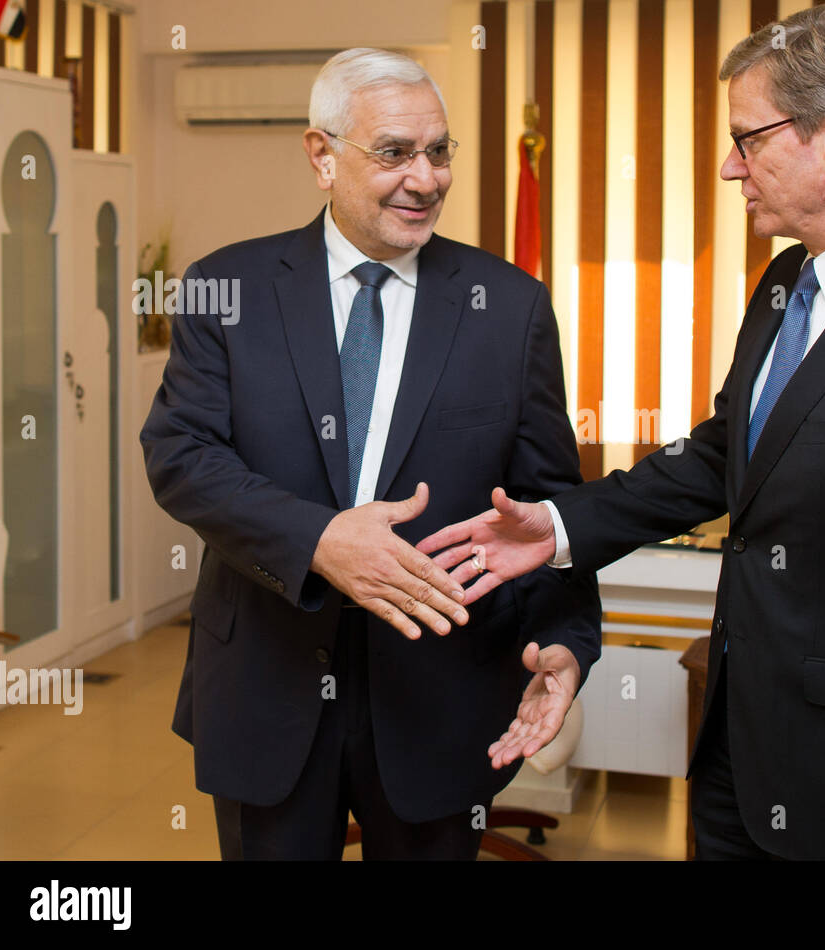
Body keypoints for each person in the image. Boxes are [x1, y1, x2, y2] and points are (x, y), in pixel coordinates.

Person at [420, 6, 825, 860]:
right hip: (735, 762)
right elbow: (728, 454)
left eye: (748, 139)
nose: (728, 166)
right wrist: (562, 527)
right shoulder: (790, 279)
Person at [140, 48, 600, 860]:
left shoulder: (510, 310)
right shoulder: (227, 289)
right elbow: (181, 454)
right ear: (322, 156)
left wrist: (568, 641)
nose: (426, 179)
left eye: (440, 151)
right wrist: (318, 541)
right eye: (394, 153)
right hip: (264, 689)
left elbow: (546, 504)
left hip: (443, 702)